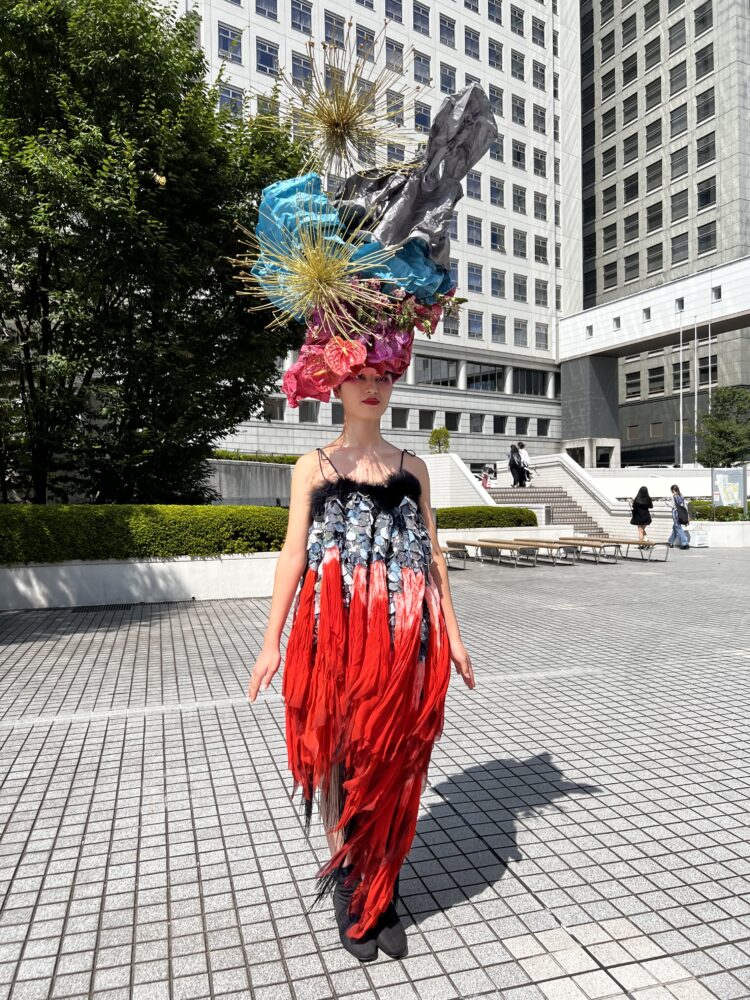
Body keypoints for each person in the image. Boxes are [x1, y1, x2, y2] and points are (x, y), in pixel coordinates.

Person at [248, 371, 475, 962]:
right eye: (359, 377)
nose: (372, 387)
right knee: (340, 759)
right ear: (335, 386)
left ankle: (383, 885)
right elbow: (293, 553)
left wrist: (453, 634)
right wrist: (271, 642)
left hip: (404, 640)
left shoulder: (413, 467)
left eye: (383, 377)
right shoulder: (312, 467)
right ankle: (351, 884)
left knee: (393, 760)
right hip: (333, 638)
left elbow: (433, 554)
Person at [668, 484, 690, 549]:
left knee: (678, 528)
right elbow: (685, 506)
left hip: (676, 514)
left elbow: (673, 506)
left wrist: (667, 504)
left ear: (673, 490)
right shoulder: (682, 496)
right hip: (682, 514)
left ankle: (684, 543)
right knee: (675, 528)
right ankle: (670, 542)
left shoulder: (673, 497)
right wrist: (687, 515)